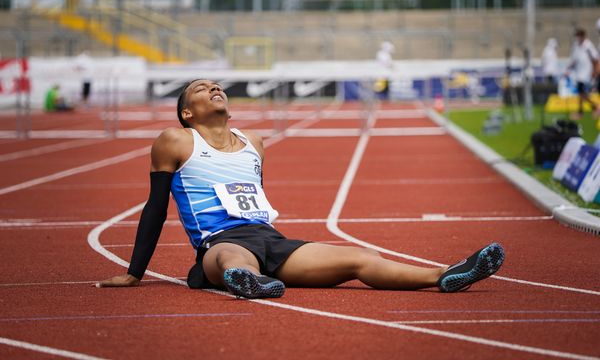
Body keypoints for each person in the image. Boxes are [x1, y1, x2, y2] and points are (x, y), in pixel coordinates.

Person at [97, 79, 505, 298]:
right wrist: (134, 274)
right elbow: (155, 208)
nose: (214, 88)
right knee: (233, 258)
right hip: (217, 242)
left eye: (217, 86)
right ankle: (247, 280)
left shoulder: (254, 141)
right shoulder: (176, 140)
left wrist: (272, 243)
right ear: (187, 112)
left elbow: (255, 200)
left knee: (360, 258)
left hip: (272, 240)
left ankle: (445, 276)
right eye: (202, 89)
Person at [565, 28, 600, 119]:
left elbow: (595, 59)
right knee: (581, 93)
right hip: (578, 73)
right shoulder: (576, 46)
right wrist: (568, 69)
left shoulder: (588, 46)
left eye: (579, 35)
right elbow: (574, 59)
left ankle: (588, 109)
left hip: (586, 73)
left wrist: (595, 71)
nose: (578, 38)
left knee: (582, 93)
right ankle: (590, 108)